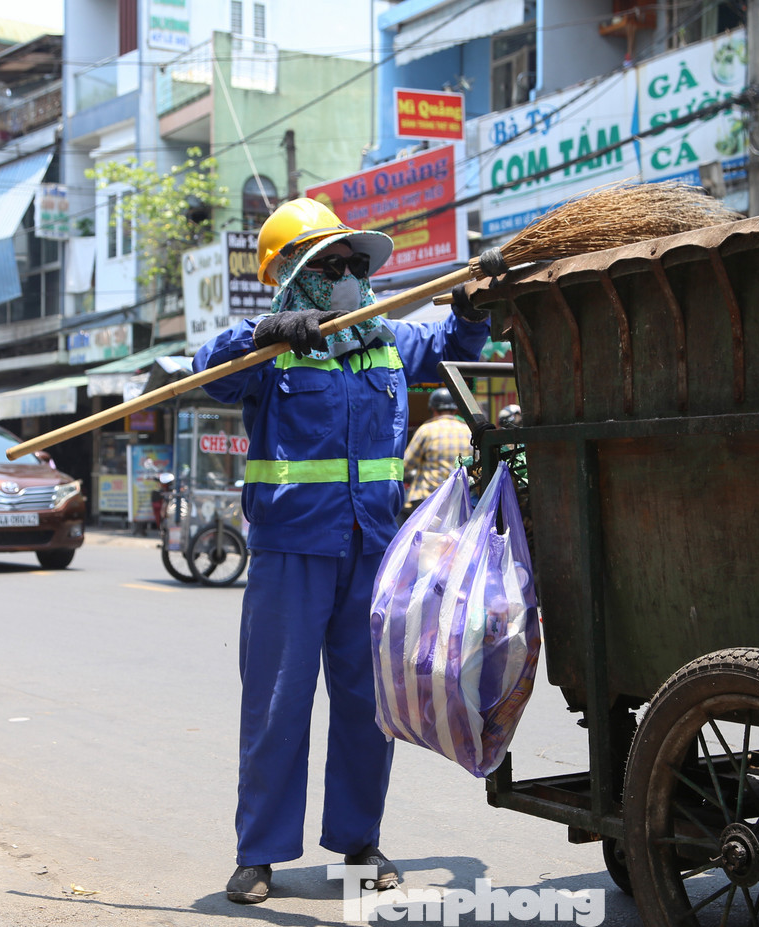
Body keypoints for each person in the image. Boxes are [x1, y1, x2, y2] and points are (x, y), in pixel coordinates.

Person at [191, 198, 490, 906]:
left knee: (366, 705)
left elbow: (457, 339)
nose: (353, 272)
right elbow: (208, 372)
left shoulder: (385, 341)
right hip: (292, 548)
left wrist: (473, 306)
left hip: (372, 549)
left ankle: (359, 841)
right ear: (298, 275)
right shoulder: (271, 351)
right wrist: (262, 332)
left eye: (358, 263)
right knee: (276, 704)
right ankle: (259, 853)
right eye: (335, 263)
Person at [400, 387, 473, 523]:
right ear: (455, 409)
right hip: (458, 501)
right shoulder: (468, 431)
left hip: (427, 500)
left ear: (433, 409)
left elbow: (406, 465)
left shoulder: (426, 430)